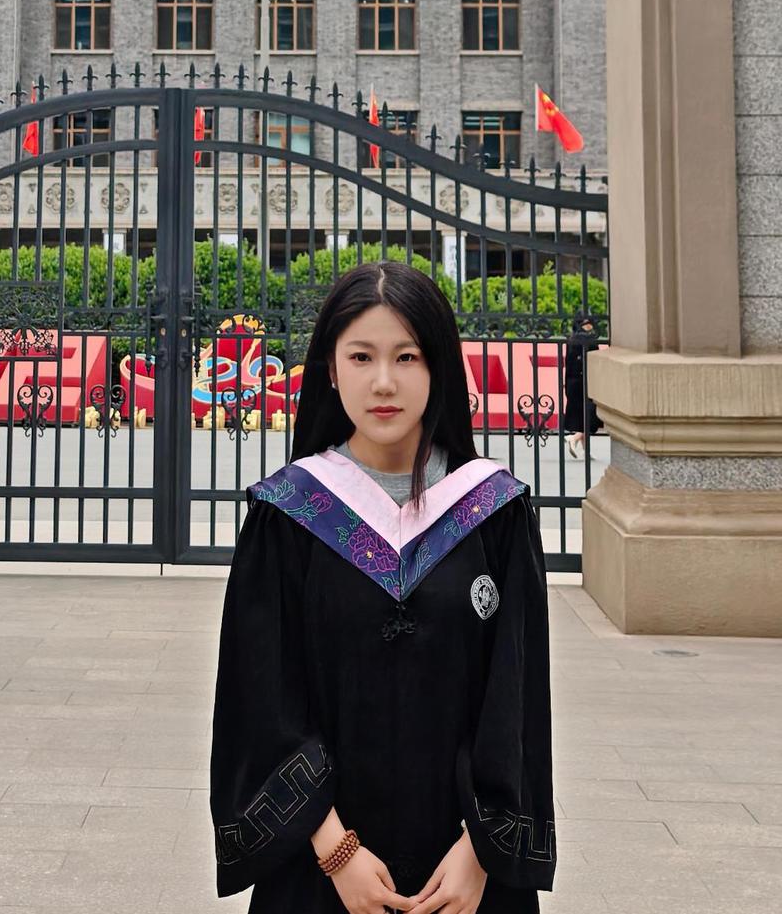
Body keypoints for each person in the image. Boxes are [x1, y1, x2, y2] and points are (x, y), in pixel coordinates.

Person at [210, 261, 556, 914]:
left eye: (407, 356)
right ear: (330, 368)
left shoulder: (493, 512)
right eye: (361, 356)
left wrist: (481, 851)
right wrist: (335, 852)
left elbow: (516, 699)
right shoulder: (290, 514)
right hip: (320, 875)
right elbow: (259, 697)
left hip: (466, 877)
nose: (384, 382)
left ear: (439, 367)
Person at [563, 309, 602, 459]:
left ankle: (586, 450)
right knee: (591, 415)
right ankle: (574, 438)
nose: (590, 325)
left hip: (573, 382)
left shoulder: (572, 339)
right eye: (587, 322)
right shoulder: (587, 340)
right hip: (584, 383)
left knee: (582, 417)